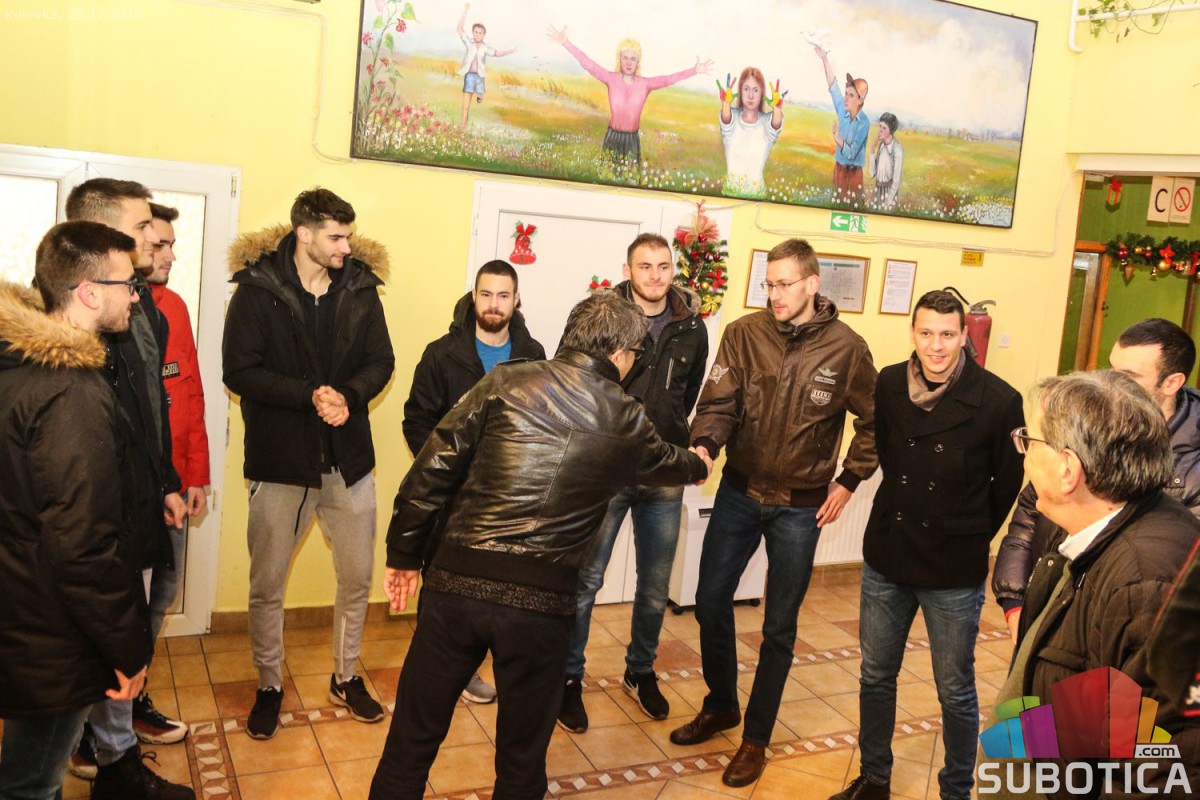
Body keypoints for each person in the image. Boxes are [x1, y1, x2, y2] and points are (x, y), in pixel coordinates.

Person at [369, 292, 710, 800]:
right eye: (636, 355)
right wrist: (700, 461)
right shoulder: (627, 419)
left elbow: (431, 469)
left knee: (410, 743)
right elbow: (670, 462)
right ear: (619, 353)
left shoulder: (505, 380)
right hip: (540, 607)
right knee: (522, 761)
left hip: (456, 587)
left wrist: (403, 555)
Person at [671, 238, 878, 788]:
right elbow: (718, 403)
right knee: (710, 601)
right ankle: (721, 704)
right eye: (769, 283)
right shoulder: (745, 334)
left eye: (785, 284)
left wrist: (849, 480)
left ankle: (756, 738)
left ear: (812, 284)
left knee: (779, 628)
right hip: (739, 495)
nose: (775, 294)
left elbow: (876, 421)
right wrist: (704, 446)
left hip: (800, 510)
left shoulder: (847, 349)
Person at [830, 290, 1024, 800]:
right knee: (875, 675)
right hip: (889, 553)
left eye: (947, 334)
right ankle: (874, 778)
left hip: (952, 566)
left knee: (954, 689)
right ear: (913, 333)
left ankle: (956, 789)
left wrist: (966, 531)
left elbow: (1006, 484)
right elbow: (888, 453)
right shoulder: (891, 382)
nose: (936, 346)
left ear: (964, 337)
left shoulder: (999, 400)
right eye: (926, 333)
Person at [223, 188, 395, 740]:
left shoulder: (361, 288)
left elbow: (382, 361)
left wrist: (348, 395)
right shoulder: (257, 290)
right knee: (267, 584)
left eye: (348, 235)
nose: (346, 246)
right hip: (280, 465)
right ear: (304, 234)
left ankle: (346, 677)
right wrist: (308, 395)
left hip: (349, 463)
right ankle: (270, 684)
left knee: (356, 578)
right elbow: (238, 371)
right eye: (336, 237)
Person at [0, 222, 153, 800]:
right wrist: (127, 648)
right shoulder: (71, 394)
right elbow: (84, 545)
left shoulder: (19, 366)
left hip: (23, 607)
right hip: (51, 631)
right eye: (127, 283)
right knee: (32, 783)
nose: (134, 296)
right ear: (88, 292)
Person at [993, 370, 1200, 794]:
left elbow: (1160, 771)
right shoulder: (1085, 530)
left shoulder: (1147, 583)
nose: (1024, 456)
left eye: (1029, 441)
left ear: (1068, 470)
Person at [65, 179, 192, 799]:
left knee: (131, 627)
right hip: (96, 513)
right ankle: (108, 757)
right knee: (103, 635)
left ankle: (115, 754)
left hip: (140, 498)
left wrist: (166, 481)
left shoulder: (142, 310)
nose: (154, 238)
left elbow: (150, 412)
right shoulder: (71, 321)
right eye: (143, 227)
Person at [559, 233, 710, 733]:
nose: (655, 276)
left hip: (662, 472)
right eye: (644, 266)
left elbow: (687, 394)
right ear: (627, 269)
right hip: (605, 470)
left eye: (663, 266)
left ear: (672, 269)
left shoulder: (692, 327)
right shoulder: (601, 316)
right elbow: (572, 378)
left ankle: (639, 670)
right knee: (586, 581)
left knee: (655, 585)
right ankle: (568, 677)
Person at [993, 318, 1200, 641]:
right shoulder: (1089, 425)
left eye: (1129, 376)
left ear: (1172, 382)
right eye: (1111, 368)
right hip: (1052, 607)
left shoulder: (1191, 464)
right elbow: (1030, 512)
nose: (1111, 382)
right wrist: (1015, 602)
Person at [403, 258, 546, 704]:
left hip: (508, 500)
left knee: (491, 592)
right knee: (440, 586)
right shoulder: (441, 354)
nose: (493, 304)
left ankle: (467, 671)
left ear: (517, 299)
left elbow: (541, 424)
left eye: (503, 295)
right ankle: (431, 675)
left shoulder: (533, 356)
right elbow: (416, 421)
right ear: (473, 296)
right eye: (486, 294)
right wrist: (446, 470)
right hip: (449, 498)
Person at [547, 24, 712, 165]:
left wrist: (694, 70)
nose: (628, 62)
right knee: (607, 178)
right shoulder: (610, 78)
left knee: (631, 181)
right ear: (619, 59)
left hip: (632, 140)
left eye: (633, 59)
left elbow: (669, 79)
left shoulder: (645, 84)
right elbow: (588, 64)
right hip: (612, 137)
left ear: (638, 62)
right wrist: (565, 42)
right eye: (625, 57)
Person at [718, 67, 785, 197]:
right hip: (729, 195)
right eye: (746, 89)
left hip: (758, 197)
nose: (750, 96)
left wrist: (777, 109)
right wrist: (726, 104)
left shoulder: (766, 123)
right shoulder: (732, 118)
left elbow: (775, 126)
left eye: (755, 90)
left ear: (762, 93)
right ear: (740, 91)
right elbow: (726, 122)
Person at [814, 46, 870, 203]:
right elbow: (833, 86)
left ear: (860, 100)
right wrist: (824, 59)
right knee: (836, 203)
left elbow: (852, 153)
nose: (845, 98)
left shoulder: (864, 123)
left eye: (851, 95)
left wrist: (838, 139)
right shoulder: (842, 110)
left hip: (854, 173)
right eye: (846, 94)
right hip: (838, 169)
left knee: (853, 206)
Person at [455, 3, 516, 128]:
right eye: (476, 32)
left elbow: (497, 53)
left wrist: (510, 51)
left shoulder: (485, 48)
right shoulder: (469, 43)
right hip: (469, 76)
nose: (477, 34)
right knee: (466, 104)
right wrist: (465, 11)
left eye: (480, 33)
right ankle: (463, 126)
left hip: (479, 77)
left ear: (484, 35)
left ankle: (480, 96)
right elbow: (459, 29)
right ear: (473, 33)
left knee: (480, 94)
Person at [869, 112, 903, 210]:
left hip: (889, 194)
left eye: (884, 128)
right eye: (880, 126)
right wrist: (872, 150)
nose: (880, 130)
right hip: (877, 191)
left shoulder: (897, 149)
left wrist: (887, 203)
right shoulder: (881, 146)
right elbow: (872, 174)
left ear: (891, 131)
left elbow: (896, 182)